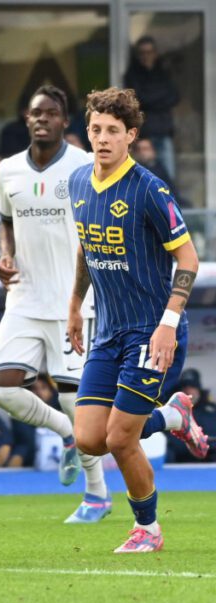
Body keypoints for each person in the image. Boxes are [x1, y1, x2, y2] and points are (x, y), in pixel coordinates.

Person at [67, 87, 208, 553]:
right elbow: (88, 249)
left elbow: (188, 259)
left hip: (152, 332)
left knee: (121, 437)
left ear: (130, 136)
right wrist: (73, 306)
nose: (102, 139)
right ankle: (172, 416)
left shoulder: (149, 189)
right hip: (107, 331)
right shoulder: (78, 183)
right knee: (89, 439)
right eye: (95, 130)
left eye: (112, 131)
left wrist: (169, 322)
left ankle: (147, 528)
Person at [0, 86, 107, 519]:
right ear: (27, 118)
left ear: (64, 121)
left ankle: (96, 494)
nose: (42, 119)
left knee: (76, 402)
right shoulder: (7, 171)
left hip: (74, 301)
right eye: (36, 113)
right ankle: (66, 435)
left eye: (51, 113)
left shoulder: (83, 166)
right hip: (24, 296)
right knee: (1, 389)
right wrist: (6, 255)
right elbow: (6, 222)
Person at [123, 36, 180, 179]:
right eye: (143, 52)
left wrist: (149, 99)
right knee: (144, 177)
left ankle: (166, 203)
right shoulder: (132, 74)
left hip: (164, 130)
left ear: (155, 53)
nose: (146, 56)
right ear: (138, 55)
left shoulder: (164, 72)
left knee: (168, 176)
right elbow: (138, 99)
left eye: (149, 52)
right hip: (144, 134)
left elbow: (174, 97)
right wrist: (159, 98)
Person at [165, 370, 216, 463]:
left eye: (192, 387)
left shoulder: (211, 412)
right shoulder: (170, 412)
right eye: (185, 387)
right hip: (177, 464)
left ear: (198, 389)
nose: (189, 391)